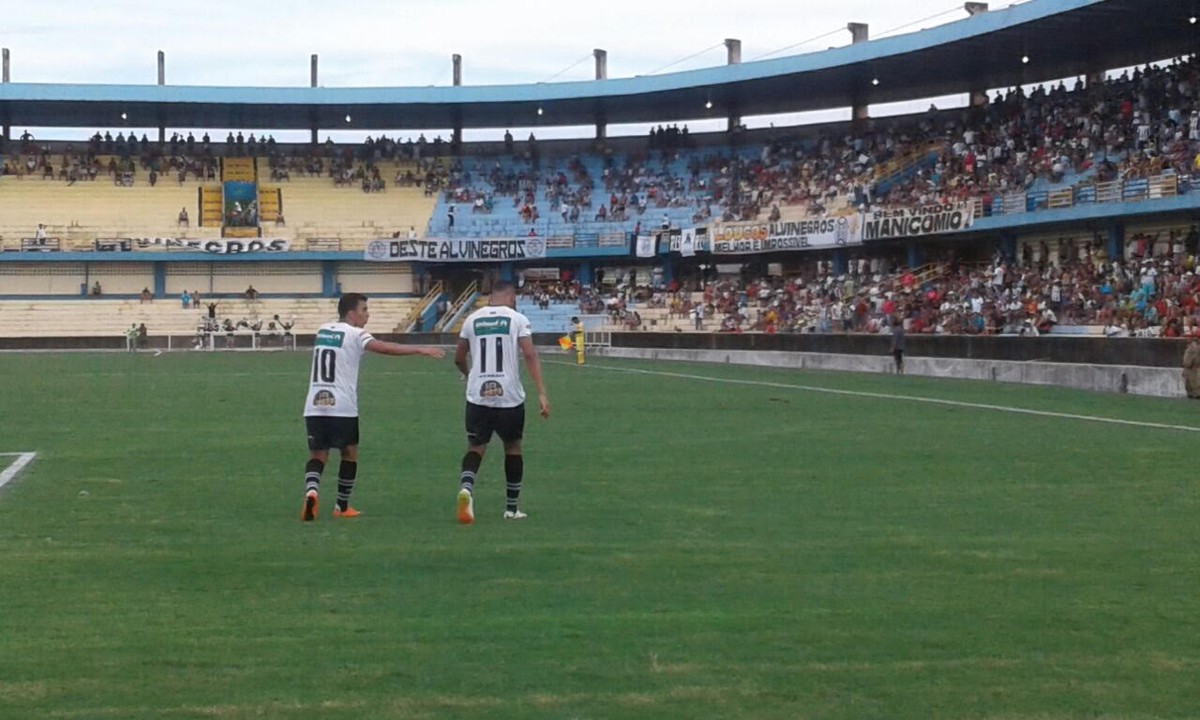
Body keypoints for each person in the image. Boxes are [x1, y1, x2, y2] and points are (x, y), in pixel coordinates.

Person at [301, 293, 444, 521]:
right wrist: (419, 350)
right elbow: (384, 347)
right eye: (364, 310)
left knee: (318, 454)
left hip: (314, 404)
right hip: (342, 406)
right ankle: (342, 506)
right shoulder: (356, 334)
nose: (367, 315)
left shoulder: (323, 330)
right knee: (349, 454)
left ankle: (312, 492)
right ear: (351, 313)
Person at [453, 281, 550, 524]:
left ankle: (466, 489)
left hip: (478, 395)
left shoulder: (471, 319)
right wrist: (541, 393)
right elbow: (529, 354)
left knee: (475, 447)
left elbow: (458, 357)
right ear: (511, 298)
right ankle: (511, 508)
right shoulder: (517, 319)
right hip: (509, 397)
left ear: (490, 298)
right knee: (513, 447)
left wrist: (468, 375)